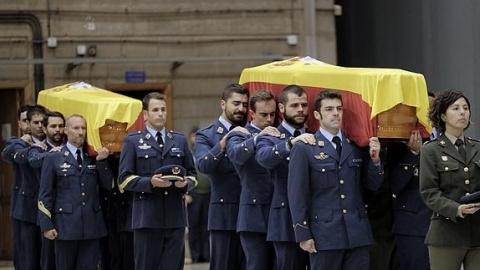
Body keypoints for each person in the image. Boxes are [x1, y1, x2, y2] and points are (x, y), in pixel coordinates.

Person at [287, 90, 384, 270]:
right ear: (317, 115)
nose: (335, 113)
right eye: (329, 109)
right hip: (324, 234)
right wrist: (302, 233)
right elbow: (297, 195)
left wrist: (375, 160)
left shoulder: (355, 146)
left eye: (339, 109)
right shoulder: (305, 148)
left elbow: (372, 185)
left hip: (356, 232)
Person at [118, 92, 197, 270]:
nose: (160, 113)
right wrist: (150, 183)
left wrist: (185, 184)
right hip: (147, 218)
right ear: (145, 115)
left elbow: (193, 175)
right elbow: (123, 180)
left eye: (163, 109)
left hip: (175, 218)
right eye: (155, 110)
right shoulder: (133, 141)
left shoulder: (179, 140)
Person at [38, 114, 113, 270]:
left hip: (91, 226)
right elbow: (45, 194)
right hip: (65, 227)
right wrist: (46, 225)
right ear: (66, 130)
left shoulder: (92, 156)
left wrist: (102, 162)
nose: (80, 132)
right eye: (76, 128)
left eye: (83, 128)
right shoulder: (54, 158)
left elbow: (108, 185)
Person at [419, 89, 480, 270]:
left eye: (465, 108)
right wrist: (457, 209)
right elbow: (429, 192)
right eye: (455, 108)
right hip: (446, 234)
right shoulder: (431, 150)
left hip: (477, 232)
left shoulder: (477, 147)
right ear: (443, 116)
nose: (463, 112)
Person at [255, 84, 312, 270]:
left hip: (317, 220)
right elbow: (264, 158)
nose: (300, 110)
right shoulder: (272, 136)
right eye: (294, 105)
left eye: (304, 105)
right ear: (281, 108)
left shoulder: (315, 136)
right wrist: (290, 143)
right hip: (285, 222)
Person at [194, 83, 248, 270]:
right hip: (224, 215)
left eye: (244, 104)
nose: (241, 108)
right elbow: (203, 165)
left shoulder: (251, 132)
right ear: (223, 104)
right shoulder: (207, 135)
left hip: (250, 213)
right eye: (236, 103)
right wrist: (223, 143)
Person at [226, 90, 280, 270]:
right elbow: (236, 155)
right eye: (264, 114)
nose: (269, 119)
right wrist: (258, 137)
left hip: (278, 212)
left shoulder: (279, 133)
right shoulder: (240, 133)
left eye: (273, 114)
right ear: (252, 113)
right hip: (254, 216)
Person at [389, 92, 436, 270]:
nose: (429, 114)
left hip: (444, 223)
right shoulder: (400, 142)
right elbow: (395, 185)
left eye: (432, 108)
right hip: (414, 225)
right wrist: (414, 153)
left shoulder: (447, 140)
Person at [17, 111, 65, 270]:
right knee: (45, 261)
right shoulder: (38, 148)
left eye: (60, 126)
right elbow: (33, 160)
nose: (57, 129)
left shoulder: (71, 148)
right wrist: (51, 155)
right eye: (53, 126)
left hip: (68, 216)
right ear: (44, 129)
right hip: (44, 214)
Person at [11, 105, 47, 270]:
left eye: (42, 122)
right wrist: (28, 145)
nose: (39, 126)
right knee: (27, 258)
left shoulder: (54, 143)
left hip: (49, 209)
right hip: (27, 209)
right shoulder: (18, 143)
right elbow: (9, 154)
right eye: (31, 121)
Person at [1, 105, 30, 270]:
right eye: (25, 120)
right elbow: (6, 154)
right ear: (19, 123)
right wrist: (21, 141)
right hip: (21, 205)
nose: (28, 124)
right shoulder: (15, 141)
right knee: (22, 251)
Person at [185, 126, 211, 263]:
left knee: (206, 227)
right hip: (193, 196)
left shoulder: (207, 151)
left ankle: (206, 255)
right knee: (194, 227)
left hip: (208, 194)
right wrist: (185, 194)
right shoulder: (188, 154)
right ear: (190, 138)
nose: (196, 139)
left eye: (198, 137)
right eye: (193, 136)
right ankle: (195, 256)